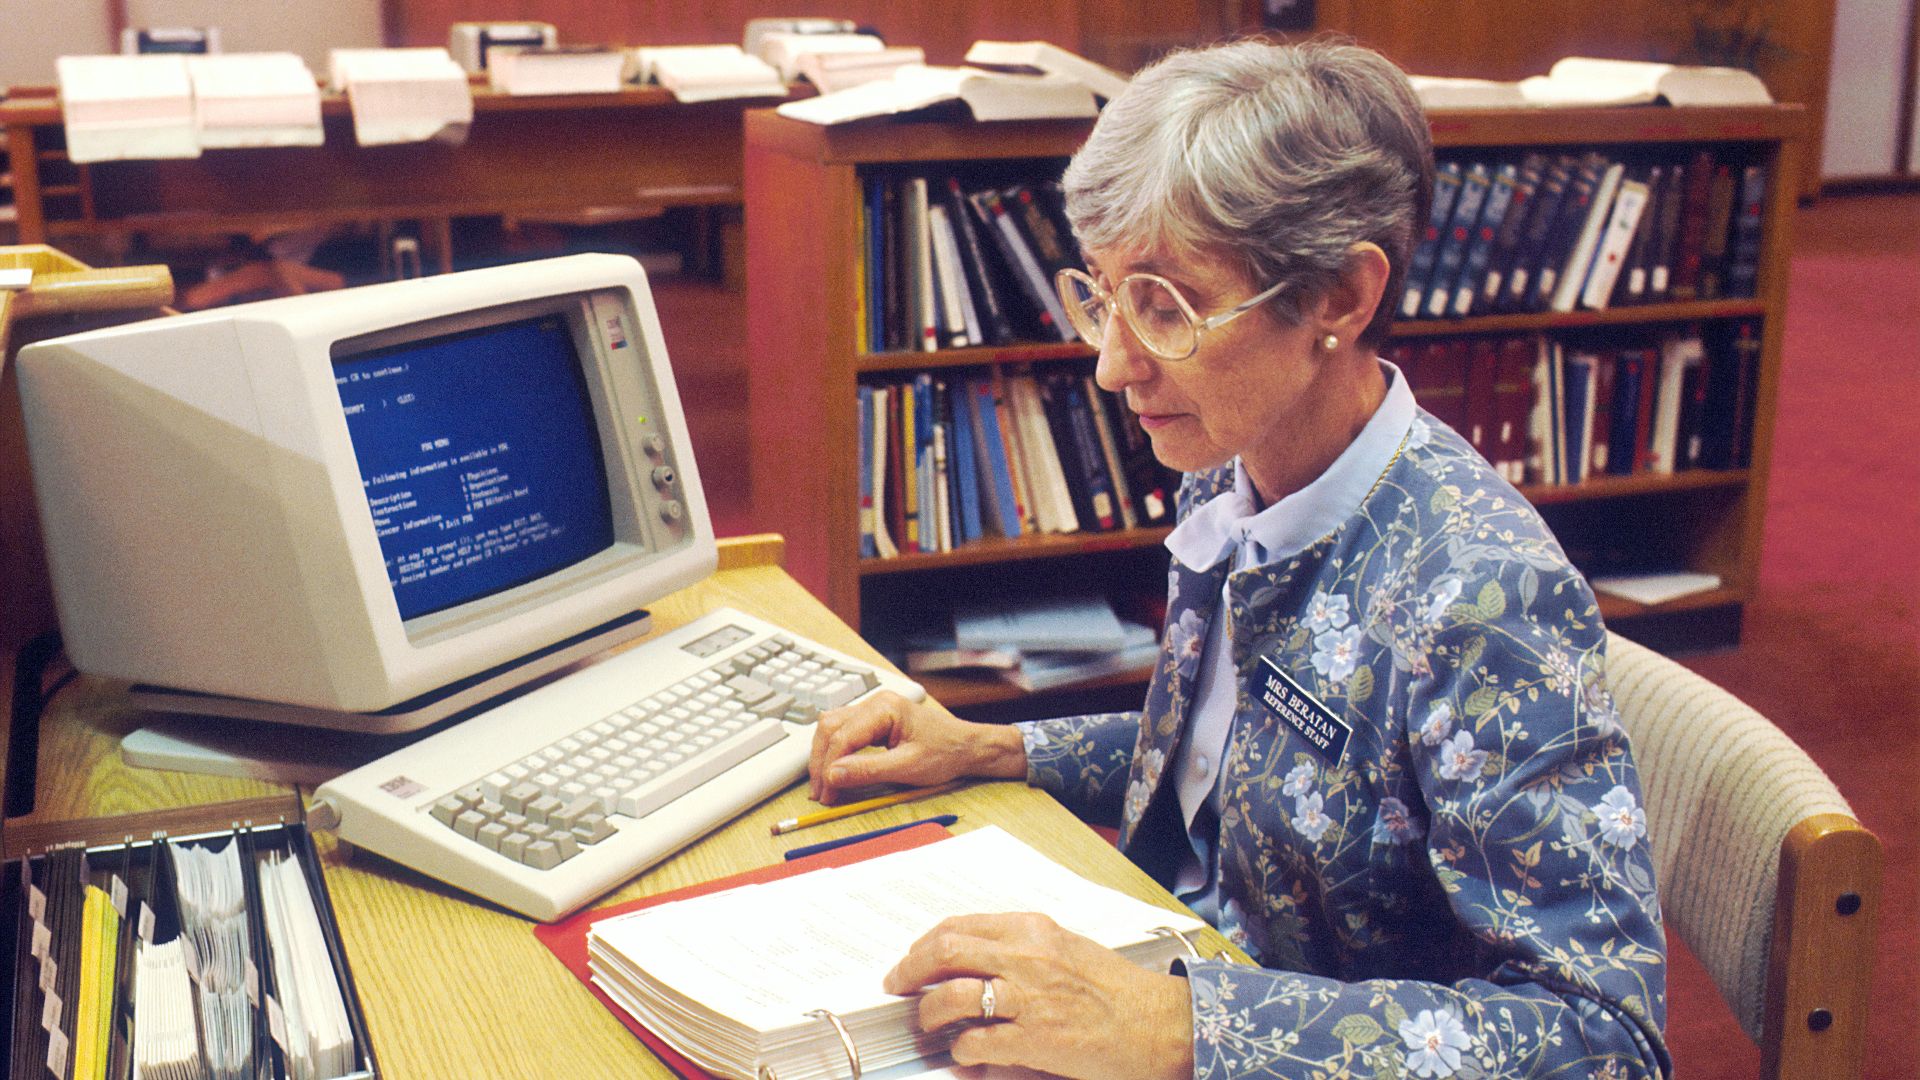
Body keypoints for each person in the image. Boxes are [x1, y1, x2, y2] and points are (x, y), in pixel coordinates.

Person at [809, 38, 1668, 1080]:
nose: (1113, 363)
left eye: (1166, 306)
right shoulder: (1235, 462)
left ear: (1342, 300)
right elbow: (1243, 748)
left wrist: (1176, 1029)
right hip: (1175, 958)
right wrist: (991, 750)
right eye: (1106, 296)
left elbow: (1607, 1040)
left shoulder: (1485, 598)